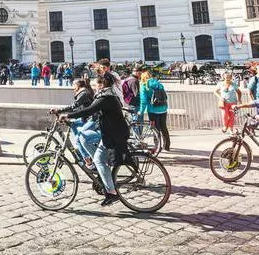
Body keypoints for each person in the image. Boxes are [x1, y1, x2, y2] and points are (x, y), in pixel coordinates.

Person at [64, 72, 130, 206]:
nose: (94, 86)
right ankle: (100, 169)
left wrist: (68, 115)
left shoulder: (106, 97)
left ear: (102, 84)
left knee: (99, 160)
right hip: (108, 131)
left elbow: (88, 110)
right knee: (82, 137)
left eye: (96, 84)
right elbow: (91, 111)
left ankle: (112, 193)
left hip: (113, 134)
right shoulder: (106, 95)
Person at [51, 78, 96, 166]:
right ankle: (80, 147)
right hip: (84, 118)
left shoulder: (84, 94)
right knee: (73, 124)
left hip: (90, 119)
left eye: (73, 85)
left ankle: (87, 159)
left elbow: (74, 106)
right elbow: (77, 108)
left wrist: (60, 111)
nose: (72, 87)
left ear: (78, 85)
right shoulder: (83, 93)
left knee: (78, 139)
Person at [138, 70, 171, 151]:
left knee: (155, 129)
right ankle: (167, 146)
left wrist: (141, 112)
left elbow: (143, 101)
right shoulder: (158, 83)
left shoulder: (144, 85)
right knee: (164, 127)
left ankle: (157, 146)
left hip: (152, 110)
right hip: (163, 109)